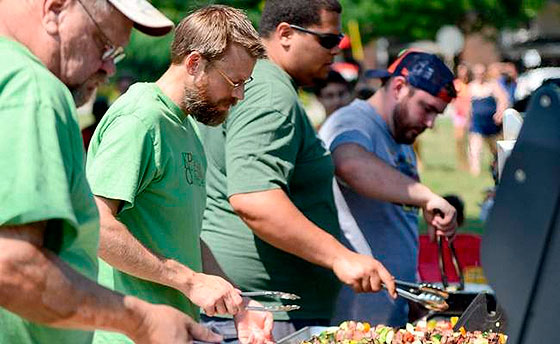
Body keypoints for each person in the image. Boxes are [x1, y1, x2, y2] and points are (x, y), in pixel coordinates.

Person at [0, 0, 222, 343]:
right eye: (103, 44)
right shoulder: (33, 88)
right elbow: (13, 266)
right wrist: (143, 321)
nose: (109, 69)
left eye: (116, 54)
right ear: (55, 10)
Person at [198, 0, 397, 339]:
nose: (335, 52)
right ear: (286, 34)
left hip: (258, 309)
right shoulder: (270, 91)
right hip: (263, 317)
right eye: (328, 40)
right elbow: (254, 198)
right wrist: (340, 258)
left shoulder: (258, 82)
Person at [85, 5, 272, 344]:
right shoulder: (140, 121)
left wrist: (240, 304)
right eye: (234, 82)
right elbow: (96, 225)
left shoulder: (185, 125)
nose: (239, 95)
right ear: (195, 63)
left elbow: (182, 236)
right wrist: (188, 281)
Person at [319, 50, 459, 327]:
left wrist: (413, 293)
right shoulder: (353, 121)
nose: (430, 123)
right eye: (427, 108)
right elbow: (348, 163)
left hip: (387, 316)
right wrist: (427, 197)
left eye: (437, 114)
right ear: (399, 87)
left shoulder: (400, 137)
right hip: (352, 321)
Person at [468, 63, 509, 176]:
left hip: (492, 122)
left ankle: (499, 166)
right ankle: (475, 171)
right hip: (477, 122)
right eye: (477, 73)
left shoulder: (492, 85)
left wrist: (500, 113)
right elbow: (468, 105)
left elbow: (503, 99)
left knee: (495, 148)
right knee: (475, 147)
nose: (479, 75)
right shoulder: (471, 87)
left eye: (481, 73)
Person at [451, 63, 471, 171]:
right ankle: (461, 161)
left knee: (468, 140)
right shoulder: (456, 85)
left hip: (469, 116)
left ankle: (468, 162)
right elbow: (453, 100)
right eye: (460, 70)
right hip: (459, 116)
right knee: (459, 139)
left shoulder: (469, 86)